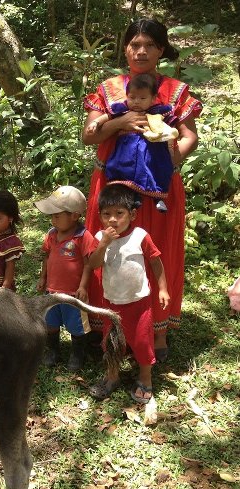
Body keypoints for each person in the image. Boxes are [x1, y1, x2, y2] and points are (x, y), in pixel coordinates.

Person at [82, 19, 201, 363]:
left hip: (160, 189)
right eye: (135, 44)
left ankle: (157, 331)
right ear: (125, 48)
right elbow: (89, 135)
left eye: (149, 44)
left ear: (161, 50)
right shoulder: (109, 90)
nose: (141, 51)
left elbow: (190, 135)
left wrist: (172, 148)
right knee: (110, 248)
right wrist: (118, 123)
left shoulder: (175, 91)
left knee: (156, 251)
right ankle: (109, 326)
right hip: (112, 189)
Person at [87, 183, 170, 403]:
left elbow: (155, 261)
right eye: (107, 214)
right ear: (100, 216)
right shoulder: (99, 238)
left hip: (138, 303)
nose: (113, 219)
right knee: (112, 343)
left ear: (132, 214)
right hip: (111, 304)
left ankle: (146, 379)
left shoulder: (140, 236)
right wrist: (103, 244)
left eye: (119, 214)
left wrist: (163, 288)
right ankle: (112, 376)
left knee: (142, 343)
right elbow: (92, 263)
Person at [85, 73, 180, 213]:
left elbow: (172, 120)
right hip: (126, 150)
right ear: (127, 95)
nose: (136, 102)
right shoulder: (123, 110)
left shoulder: (156, 111)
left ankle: (158, 199)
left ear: (153, 99)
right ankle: (133, 199)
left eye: (142, 98)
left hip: (151, 151)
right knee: (123, 170)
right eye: (132, 97)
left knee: (155, 172)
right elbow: (108, 116)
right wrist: (95, 122)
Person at [35, 185, 96, 370]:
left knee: (76, 325)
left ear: (75, 216)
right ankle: (53, 350)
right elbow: (46, 257)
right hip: (52, 291)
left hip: (73, 294)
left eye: (57, 215)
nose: (53, 219)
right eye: (51, 216)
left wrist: (83, 287)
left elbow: (89, 264)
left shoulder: (83, 236)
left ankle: (77, 353)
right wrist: (42, 277)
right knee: (50, 322)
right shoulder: (51, 235)